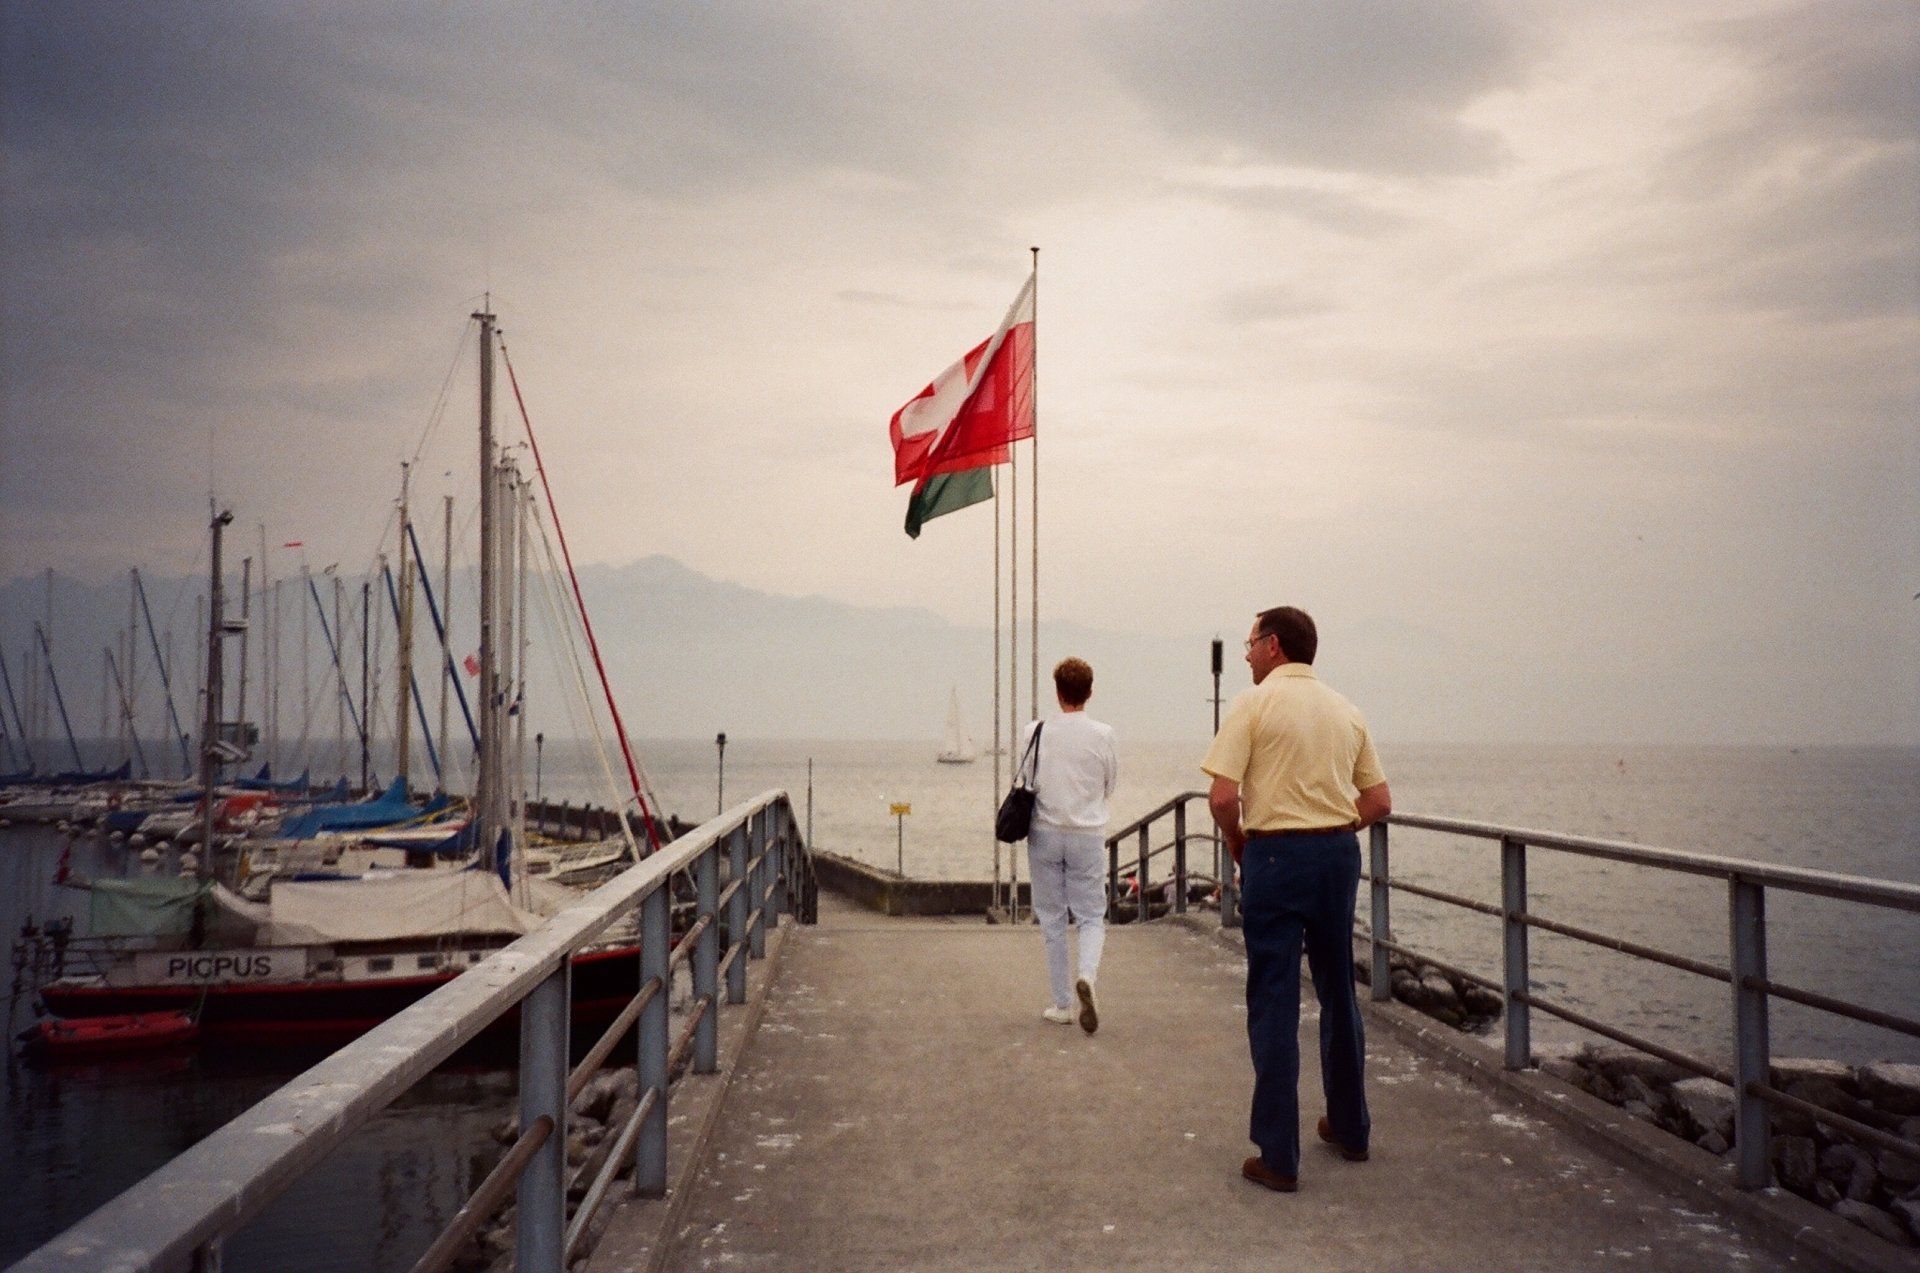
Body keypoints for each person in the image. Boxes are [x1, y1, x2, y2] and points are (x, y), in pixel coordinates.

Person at [1201, 606, 1391, 1193]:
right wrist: (1330, 827)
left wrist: (1240, 845)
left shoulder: (1252, 705)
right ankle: (1351, 1128)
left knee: (1276, 997)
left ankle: (1279, 1157)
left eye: (1251, 642)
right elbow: (1379, 801)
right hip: (1336, 857)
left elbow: (1222, 796)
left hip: (1275, 857)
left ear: (1274, 645)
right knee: (1338, 987)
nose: (1247, 653)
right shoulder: (1346, 709)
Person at [1020, 657, 1118, 1034]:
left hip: (1044, 831)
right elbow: (1110, 784)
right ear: (1089, 693)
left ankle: (1062, 1004)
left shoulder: (1036, 731)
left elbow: (1027, 780)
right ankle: (1087, 977)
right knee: (1092, 915)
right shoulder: (1104, 734)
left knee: (1052, 917)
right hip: (1087, 834)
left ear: (1057, 691)